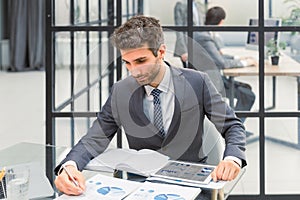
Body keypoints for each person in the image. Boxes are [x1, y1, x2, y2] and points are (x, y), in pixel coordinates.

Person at [54, 15, 247, 197]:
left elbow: (232, 126)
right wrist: (69, 167)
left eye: (140, 61)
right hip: (141, 187)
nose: (134, 71)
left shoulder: (198, 82)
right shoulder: (121, 91)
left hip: (192, 186)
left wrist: (232, 159)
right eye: (127, 63)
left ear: (161, 52)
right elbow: (94, 139)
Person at [193, 6, 256, 123]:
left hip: (209, 78)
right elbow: (221, 63)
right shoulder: (204, 37)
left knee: (246, 89)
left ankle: (232, 125)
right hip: (210, 83)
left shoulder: (203, 32)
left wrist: (238, 58)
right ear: (221, 21)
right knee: (248, 95)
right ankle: (234, 128)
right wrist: (246, 62)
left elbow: (217, 55)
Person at [173, 0, 205, 68]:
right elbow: (179, 28)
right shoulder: (180, 5)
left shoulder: (199, 5)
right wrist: (183, 50)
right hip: (187, 44)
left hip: (199, 43)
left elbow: (202, 25)